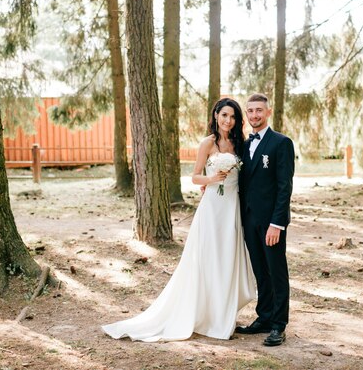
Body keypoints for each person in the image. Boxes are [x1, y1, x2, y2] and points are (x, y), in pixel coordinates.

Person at [101, 97, 255, 342]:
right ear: (216, 115)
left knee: (227, 258)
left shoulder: (240, 143)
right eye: (224, 115)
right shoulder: (208, 143)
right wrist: (212, 180)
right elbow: (195, 177)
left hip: (232, 207)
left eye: (233, 117)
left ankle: (222, 315)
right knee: (208, 259)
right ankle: (205, 315)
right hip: (213, 207)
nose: (228, 120)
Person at [236, 93, 295, 347]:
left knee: (276, 272)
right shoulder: (243, 145)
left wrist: (277, 224)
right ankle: (265, 317)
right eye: (250, 111)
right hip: (249, 221)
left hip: (271, 223)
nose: (254, 115)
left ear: (268, 112)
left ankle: (279, 325)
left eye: (259, 110)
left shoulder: (281, 143)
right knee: (260, 271)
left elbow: (284, 187)